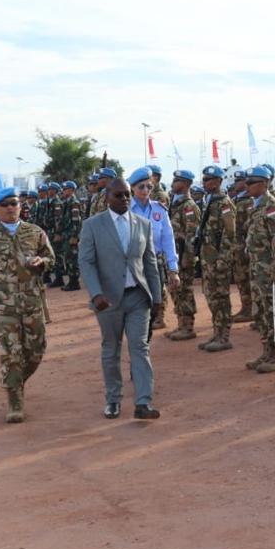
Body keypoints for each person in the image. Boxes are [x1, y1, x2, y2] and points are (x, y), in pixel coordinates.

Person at [0, 188, 54, 423]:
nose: (11, 208)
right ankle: (14, 399)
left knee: (36, 350)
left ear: (20, 206)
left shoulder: (35, 232)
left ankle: (15, 381)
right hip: (3, 306)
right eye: (5, 205)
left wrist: (42, 261)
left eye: (14, 203)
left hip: (32, 302)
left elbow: (51, 258)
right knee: (10, 353)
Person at [78, 177, 163, 420]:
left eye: (127, 194)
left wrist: (157, 297)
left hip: (138, 297)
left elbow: (150, 263)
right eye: (118, 195)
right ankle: (113, 400)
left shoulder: (143, 224)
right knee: (111, 349)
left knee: (140, 347)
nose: (124, 199)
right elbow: (86, 262)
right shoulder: (93, 225)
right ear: (107, 198)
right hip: (108, 299)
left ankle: (143, 402)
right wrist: (96, 294)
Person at [243, 166, 275, 373]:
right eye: (247, 182)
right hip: (257, 268)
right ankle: (266, 352)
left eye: (252, 183)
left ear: (265, 183)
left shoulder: (273, 206)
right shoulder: (255, 206)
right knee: (261, 312)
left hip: (270, 269)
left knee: (273, 311)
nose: (248, 186)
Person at [129, 166, 180, 331]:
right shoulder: (125, 210)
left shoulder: (159, 210)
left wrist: (173, 269)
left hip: (154, 263)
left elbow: (168, 239)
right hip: (132, 264)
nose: (146, 190)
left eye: (149, 186)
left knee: (155, 300)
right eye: (141, 187)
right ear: (132, 188)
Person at [195, 166, 237, 352]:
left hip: (219, 260)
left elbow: (229, 234)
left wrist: (222, 260)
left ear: (218, 181)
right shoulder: (210, 201)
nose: (205, 182)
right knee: (212, 297)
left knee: (221, 297)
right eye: (204, 179)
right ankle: (217, 332)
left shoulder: (224, 204)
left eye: (208, 179)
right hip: (209, 258)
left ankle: (224, 336)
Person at [166, 169, 201, 341]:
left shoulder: (189, 206)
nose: (173, 184)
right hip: (174, 256)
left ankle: (188, 326)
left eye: (177, 181)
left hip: (184, 257)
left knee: (184, 291)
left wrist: (188, 259)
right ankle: (181, 323)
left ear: (186, 184)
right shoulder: (175, 204)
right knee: (176, 290)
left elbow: (191, 236)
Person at [228, 169, 255, 324]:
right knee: (240, 278)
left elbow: (249, 226)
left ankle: (250, 309)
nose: (236, 184)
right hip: (236, 247)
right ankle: (246, 307)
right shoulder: (236, 199)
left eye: (240, 181)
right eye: (236, 181)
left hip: (244, 247)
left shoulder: (249, 201)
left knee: (247, 278)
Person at [59, 181, 83, 291]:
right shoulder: (67, 202)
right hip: (67, 234)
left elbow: (76, 221)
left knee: (72, 258)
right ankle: (71, 281)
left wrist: (74, 235)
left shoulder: (74, 203)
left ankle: (74, 282)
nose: (63, 191)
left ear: (71, 190)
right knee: (68, 257)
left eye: (65, 189)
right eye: (63, 189)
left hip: (71, 235)